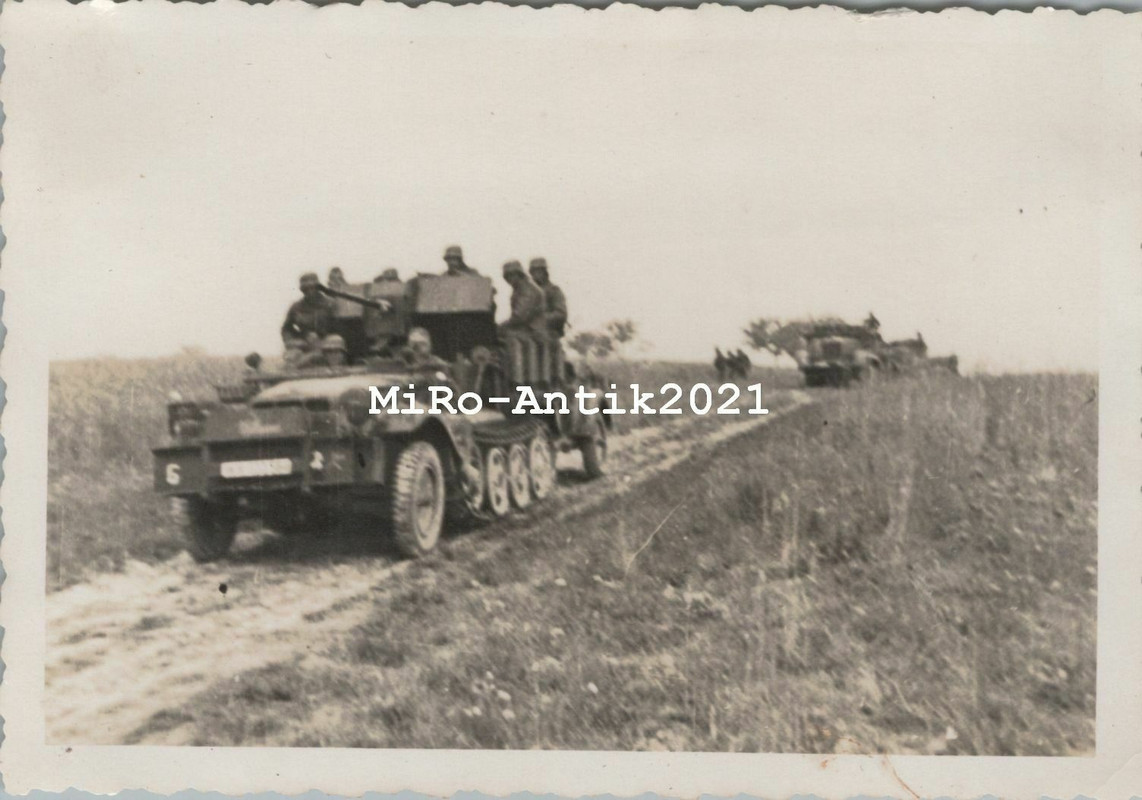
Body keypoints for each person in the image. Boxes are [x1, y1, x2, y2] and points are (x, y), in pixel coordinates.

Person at [282, 272, 334, 358]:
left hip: (330, 344)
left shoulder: (330, 303)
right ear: (302, 290)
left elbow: (340, 326)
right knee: (291, 357)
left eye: (312, 288)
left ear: (318, 288)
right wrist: (292, 341)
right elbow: (286, 328)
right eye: (306, 289)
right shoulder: (296, 307)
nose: (309, 291)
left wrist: (326, 339)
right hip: (305, 343)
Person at [499, 260, 546, 334]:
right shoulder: (519, 289)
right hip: (526, 330)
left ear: (519, 274)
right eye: (507, 276)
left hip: (533, 332)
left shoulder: (528, 289)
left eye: (511, 275)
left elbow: (520, 316)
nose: (509, 279)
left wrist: (502, 326)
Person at [528, 257, 568, 338]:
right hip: (530, 332)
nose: (536, 275)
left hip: (549, 333)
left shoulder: (553, 290)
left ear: (545, 272)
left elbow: (561, 314)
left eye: (539, 271)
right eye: (533, 272)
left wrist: (542, 319)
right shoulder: (529, 292)